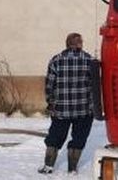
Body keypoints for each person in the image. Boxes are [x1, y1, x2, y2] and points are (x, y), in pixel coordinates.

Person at [38, 32, 94, 175]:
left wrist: (50, 103)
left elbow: (49, 85)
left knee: (55, 136)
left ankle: (48, 165)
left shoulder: (56, 60)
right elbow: (95, 86)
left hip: (60, 110)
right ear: (80, 44)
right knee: (79, 137)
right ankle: (72, 168)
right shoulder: (90, 61)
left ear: (67, 44)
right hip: (83, 110)